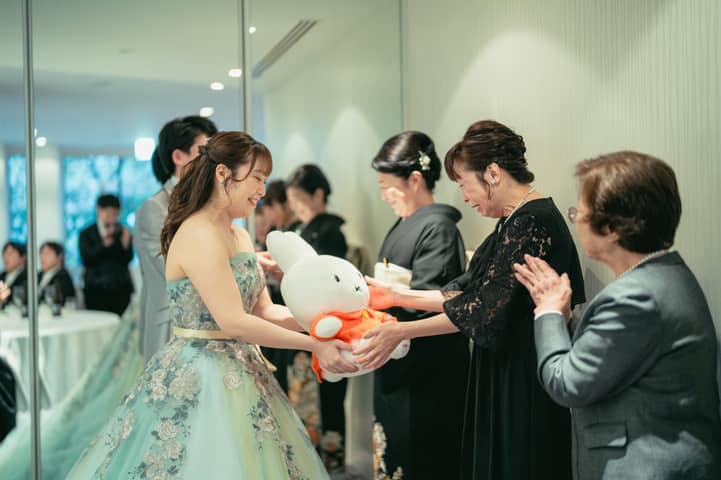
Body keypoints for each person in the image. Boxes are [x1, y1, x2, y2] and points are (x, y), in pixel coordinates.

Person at [67, 131, 356, 479]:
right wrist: (314, 343)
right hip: (201, 373)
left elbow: (265, 311)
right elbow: (234, 322)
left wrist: (327, 320)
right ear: (223, 174)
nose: (263, 190)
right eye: (257, 178)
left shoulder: (240, 234)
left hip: (244, 370)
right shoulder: (197, 233)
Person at [355, 120, 585, 480]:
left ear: (492, 173)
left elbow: (482, 310)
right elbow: (468, 292)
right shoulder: (512, 221)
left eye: (464, 183)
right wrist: (396, 295)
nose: (463, 196)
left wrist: (402, 330)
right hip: (503, 368)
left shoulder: (532, 222)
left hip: (522, 373)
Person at [513, 151, 721, 480]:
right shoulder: (664, 275)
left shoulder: (635, 297)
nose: (576, 221)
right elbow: (613, 356)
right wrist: (565, 316)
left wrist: (548, 311)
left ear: (610, 228)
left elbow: (567, 384)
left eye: (578, 214)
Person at [369, 131, 469, 479]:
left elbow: (433, 301)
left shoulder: (438, 227)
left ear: (414, 180)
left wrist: (386, 303)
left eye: (387, 187)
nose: (384, 196)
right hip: (397, 364)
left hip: (427, 375)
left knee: (422, 463)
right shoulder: (406, 224)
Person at [134, 115, 217, 361]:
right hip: (171, 324)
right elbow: (171, 268)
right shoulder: (155, 208)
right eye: (204, 151)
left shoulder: (211, 203)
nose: (213, 160)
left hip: (212, 322)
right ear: (178, 157)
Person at [285, 163, 348, 472]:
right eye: (292, 200)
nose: (295, 206)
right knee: (303, 403)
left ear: (318, 194)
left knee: (327, 401)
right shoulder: (300, 230)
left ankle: (331, 468)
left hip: (325, 328)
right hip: (302, 328)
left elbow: (328, 283)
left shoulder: (330, 232)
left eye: (299, 198)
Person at [78, 194, 134, 315]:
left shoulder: (123, 231)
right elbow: (86, 259)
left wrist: (125, 244)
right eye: (108, 213)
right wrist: (104, 244)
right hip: (95, 289)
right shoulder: (86, 233)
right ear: (99, 210)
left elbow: (128, 259)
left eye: (115, 214)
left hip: (120, 290)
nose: (112, 217)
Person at [38, 241, 76, 307]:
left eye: (47, 253)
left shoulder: (63, 277)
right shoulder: (37, 275)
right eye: (41, 253)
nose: (42, 257)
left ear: (60, 257)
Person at [0, 241, 27, 309]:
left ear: (22, 258)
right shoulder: (1, 276)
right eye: (4, 253)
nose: (6, 257)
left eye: (11, 253)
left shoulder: (27, 277)